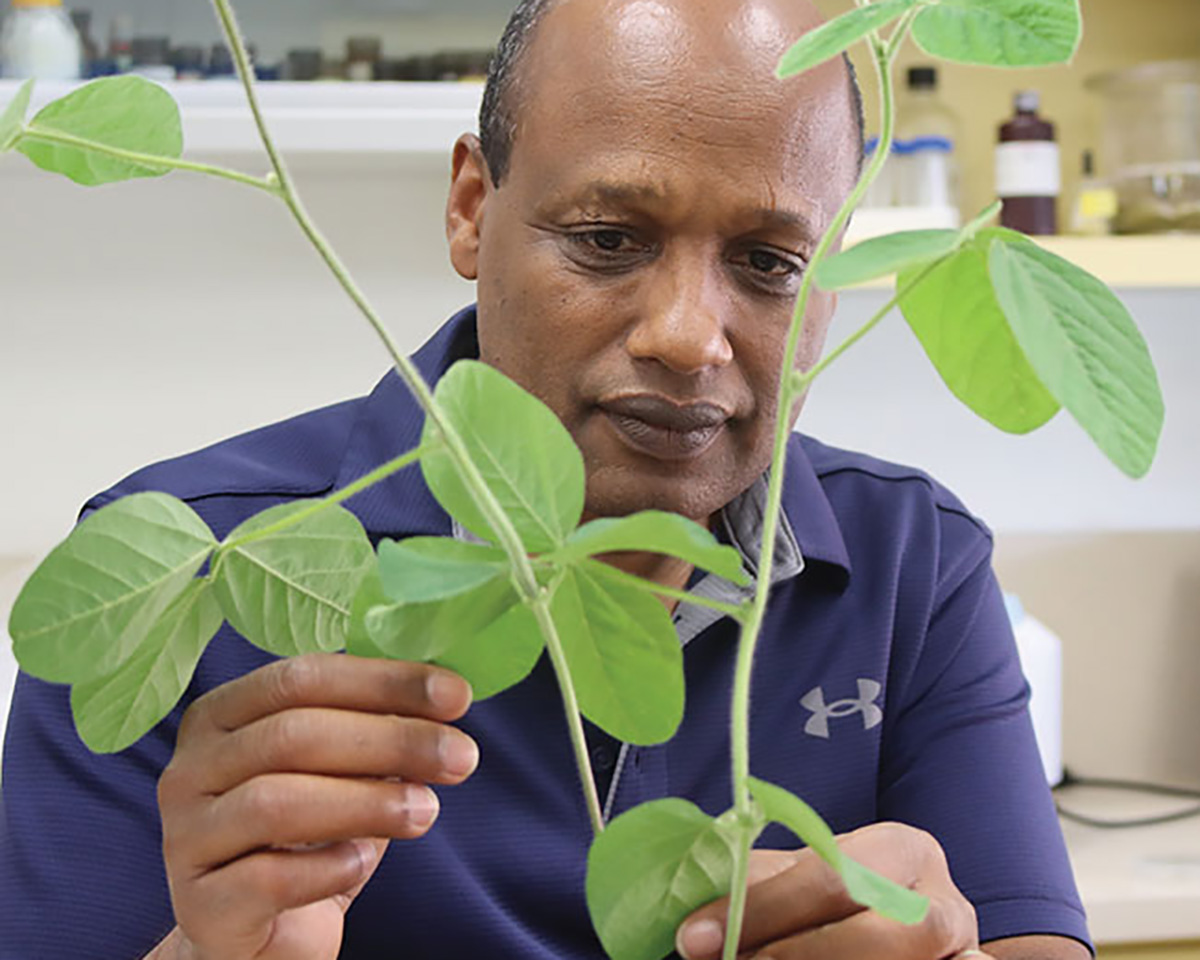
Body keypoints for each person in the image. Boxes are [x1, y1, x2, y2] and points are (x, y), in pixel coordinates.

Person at [0, 0, 1092, 958]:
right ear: (472, 209)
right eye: (610, 238)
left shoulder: (918, 561)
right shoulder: (191, 567)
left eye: (770, 262)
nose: (686, 337)